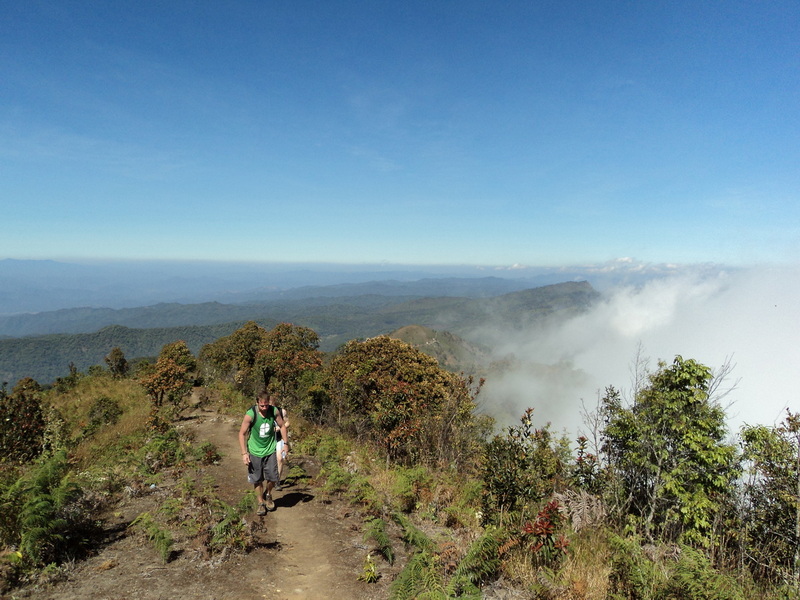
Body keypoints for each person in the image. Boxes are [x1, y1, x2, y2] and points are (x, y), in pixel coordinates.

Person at [239, 390, 288, 515]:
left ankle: (268, 494)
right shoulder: (251, 414)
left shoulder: (274, 411)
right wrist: (244, 453)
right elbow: (242, 433)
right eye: (262, 406)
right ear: (257, 403)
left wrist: (286, 444)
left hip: (270, 449)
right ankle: (260, 503)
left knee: (273, 477)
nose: (264, 408)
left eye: (266, 405)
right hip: (255, 451)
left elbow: (282, 426)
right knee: (257, 479)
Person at [269, 395, 290, 490]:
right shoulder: (263, 412)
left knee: (280, 458)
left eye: (271, 404)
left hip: (279, 438)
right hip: (267, 439)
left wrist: (280, 427)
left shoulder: (282, 411)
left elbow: (287, 422)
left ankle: (277, 481)